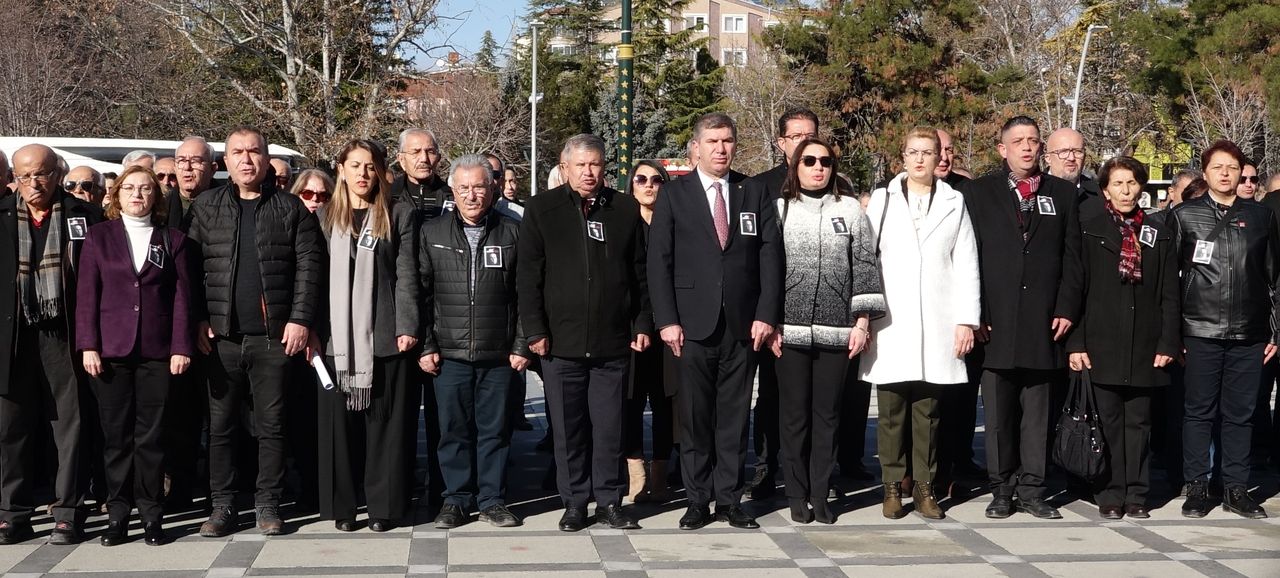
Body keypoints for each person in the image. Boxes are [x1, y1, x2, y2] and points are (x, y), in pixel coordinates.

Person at [648, 113, 783, 531]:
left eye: (727, 141)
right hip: (691, 327)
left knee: (734, 417)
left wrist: (766, 314)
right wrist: (667, 320)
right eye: (712, 141)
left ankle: (729, 499)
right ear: (696, 147)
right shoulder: (675, 194)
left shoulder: (753, 190)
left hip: (743, 326)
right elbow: (660, 261)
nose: (720, 149)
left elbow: (769, 256)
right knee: (694, 417)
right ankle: (697, 500)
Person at [186, 127, 323, 537]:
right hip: (220, 337)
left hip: (273, 339)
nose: (246, 160)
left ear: (266, 159)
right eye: (237, 153)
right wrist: (197, 319)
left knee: (272, 425)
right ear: (224, 162)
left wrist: (300, 319)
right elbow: (190, 272)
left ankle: (268, 504)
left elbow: (309, 269)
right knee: (221, 426)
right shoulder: (206, 207)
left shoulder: (290, 208)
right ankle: (223, 506)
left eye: (254, 152)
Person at [517, 134, 652, 532]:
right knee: (569, 428)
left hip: (612, 342)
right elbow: (528, 278)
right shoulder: (541, 210)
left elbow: (640, 275)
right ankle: (575, 502)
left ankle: (610, 501)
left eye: (595, 164)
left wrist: (642, 323)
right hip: (561, 343)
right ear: (564, 165)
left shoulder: (624, 209)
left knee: (610, 427)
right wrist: (535, 330)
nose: (589, 173)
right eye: (581, 165)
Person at [958, 116, 1082, 520]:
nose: (1026, 148)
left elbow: (1072, 259)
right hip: (995, 322)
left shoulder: (1062, 194)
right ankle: (1002, 488)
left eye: (1032, 141)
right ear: (1002, 149)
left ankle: (1033, 488)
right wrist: (976, 313)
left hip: (1044, 322)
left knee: (1038, 414)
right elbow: (967, 256)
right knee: (998, 416)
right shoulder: (978, 193)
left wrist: (1065, 307)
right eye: (1018, 141)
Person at [862, 128, 979, 520]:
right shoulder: (883, 199)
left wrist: (966, 320)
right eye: (912, 151)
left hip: (938, 319)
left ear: (937, 158)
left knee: (928, 411)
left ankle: (926, 489)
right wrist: (863, 315)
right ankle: (893, 487)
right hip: (891, 320)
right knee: (892, 410)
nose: (919, 160)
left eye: (927, 153)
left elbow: (966, 262)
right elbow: (865, 259)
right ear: (903, 154)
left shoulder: (953, 200)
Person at [768, 137, 885, 524]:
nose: (818, 167)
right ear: (795, 167)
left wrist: (863, 322)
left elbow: (865, 266)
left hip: (838, 332)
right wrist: (770, 324)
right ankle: (796, 493)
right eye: (809, 161)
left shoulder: (850, 209)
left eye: (826, 161)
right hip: (790, 331)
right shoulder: (780, 209)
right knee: (794, 417)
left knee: (827, 416)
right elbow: (768, 272)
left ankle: (821, 493)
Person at [76, 165, 193, 545]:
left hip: (158, 352)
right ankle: (117, 514)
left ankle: (151, 514)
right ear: (117, 195)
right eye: (130, 188)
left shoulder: (172, 239)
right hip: (110, 351)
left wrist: (180, 346)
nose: (138, 195)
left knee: (152, 436)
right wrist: (88, 344)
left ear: (156, 197)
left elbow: (181, 298)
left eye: (145, 189)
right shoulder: (98, 237)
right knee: (115, 437)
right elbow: (86, 296)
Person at [1168, 140, 1280, 519]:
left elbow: (1273, 278)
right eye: (1218, 167)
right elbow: (1169, 282)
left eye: (1233, 167)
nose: (1226, 174)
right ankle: (1197, 485)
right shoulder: (1185, 216)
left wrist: (1274, 331)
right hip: (1199, 329)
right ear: (1205, 172)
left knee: (1241, 413)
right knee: (1198, 411)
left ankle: (1235, 487)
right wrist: (1172, 335)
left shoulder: (1262, 217)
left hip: (1249, 332)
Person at [1066, 156, 1180, 520]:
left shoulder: (1157, 230)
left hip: (1146, 343)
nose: (1126, 191)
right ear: (1105, 190)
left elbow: (1169, 293)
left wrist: (1168, 342)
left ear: (1142, 187)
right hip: (1102, 341)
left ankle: (1137, 494)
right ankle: (1110, 493)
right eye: (1118, 184)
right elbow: (1077, 289)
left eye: (1132, 183)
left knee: (1140, 423)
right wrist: (1077, 342)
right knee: (1108, 421)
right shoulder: (1091, 227)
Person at [0, 144, 103, 545]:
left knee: (69, 424)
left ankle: (68, 511)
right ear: (14, 179)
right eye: (24, 175)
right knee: (11, 427)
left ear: (57, 174)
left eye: (41, 173)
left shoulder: (85, 216)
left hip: (65, 334)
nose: (33, 183)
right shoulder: (3, 216)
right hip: (14, 336)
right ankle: (12, 512)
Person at [314, 140, 419, 532]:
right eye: (354, 165)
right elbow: (313, 278)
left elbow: (408, 274)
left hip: (387, 336)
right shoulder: (324, 217)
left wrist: (408, 326)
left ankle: (383, 507)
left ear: (380, 172)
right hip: (335, 342)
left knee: (385, 428)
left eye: (370, 166)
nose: (362, 173)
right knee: (340, 431)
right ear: (340, 169)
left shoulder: (399, 213)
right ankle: (344, 508)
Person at [420, 155, 528, 529]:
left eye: (479, 186)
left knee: (495, 431)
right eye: (463, 187)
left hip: (498, 354)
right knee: (453, 431)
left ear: (493, 188)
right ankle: (456, 500)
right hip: (448, 354)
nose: (471, 195)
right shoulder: (432, 233)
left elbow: (525, 296)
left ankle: (492, 499)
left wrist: (520, 346)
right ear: (453, 191)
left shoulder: (513, 233)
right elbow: (420, 294)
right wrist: (426, 346)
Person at [748, 108, 818, 498]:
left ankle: (810, 470)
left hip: (820, 311)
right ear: (782, 143)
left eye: (811, 134)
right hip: (771, 311)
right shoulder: (760, 188)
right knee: (771, 395)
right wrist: (767, 313)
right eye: (796, 136)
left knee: (813, 398)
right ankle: (765, 465)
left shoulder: (833, 183)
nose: (805, 142)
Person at [622, 160, 677, 504]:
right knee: (630, 402)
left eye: (657, 179)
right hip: (631, 329)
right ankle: (635, 477)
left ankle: (660, 476)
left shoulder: (675, 224)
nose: (649, 184)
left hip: (670, 328)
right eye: (641, 179)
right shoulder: (623, 225)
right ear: (631, 185)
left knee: (666, 403)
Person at [1044, 127, 1102, 222]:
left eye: (1078, 152)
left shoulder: (1098, 194)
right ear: (1048, 158)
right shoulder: (1034, 191)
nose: (1071, 158)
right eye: (1063, 152)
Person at [392, 128, 451, 219]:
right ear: (401, 159)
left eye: (430, 152)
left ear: (438, 158)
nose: (424, 158)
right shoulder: (389, 197)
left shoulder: (452, 197)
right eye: (415, 152)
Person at [166, 137, 215, 232]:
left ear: (212, 169)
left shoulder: (229, 205)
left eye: (195, 161)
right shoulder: (160, 206)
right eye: (182, 161)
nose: (187, 167)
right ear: (175, 168)